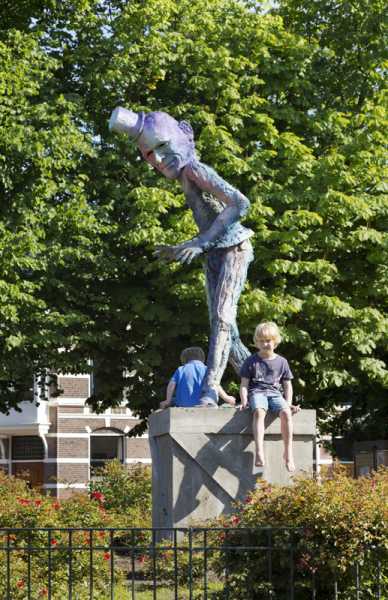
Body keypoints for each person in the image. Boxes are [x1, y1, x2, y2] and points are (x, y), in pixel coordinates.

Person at [109, 107, 254, 407]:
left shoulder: (195, 170)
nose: (159, 160)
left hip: (234, 248)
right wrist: (182, 248)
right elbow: (210, 222)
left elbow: (240, 203)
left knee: (223, 319)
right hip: (215, 253)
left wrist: (201, 241)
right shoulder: (186, 179)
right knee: (228, 330)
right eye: (150, 155)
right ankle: (262, 383)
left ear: (185, 134)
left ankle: (210, 390)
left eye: (162, 147)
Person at [239, 321, 300, 472]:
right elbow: (244, 384)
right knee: (259, 412)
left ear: (275, 341)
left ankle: (288, 453)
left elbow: (287, 385)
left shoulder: (282, 361)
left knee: (286, 413)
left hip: (275, 393)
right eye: (261, 341)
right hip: (257, 392)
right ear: (257, 342)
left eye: (268, 341)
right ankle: (259, 451)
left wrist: (288, 403)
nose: (265, 344)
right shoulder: (251, 361)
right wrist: (244, 401)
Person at [160, 346, 236, 409]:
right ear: (202, 358)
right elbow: (215, 385)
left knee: (173, 400)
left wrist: (168, 400)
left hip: (183, 404)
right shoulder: (207, 369)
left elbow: (171, 384)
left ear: (184, 359)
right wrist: (226, 397)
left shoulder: (181, 369)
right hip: (204, 404)